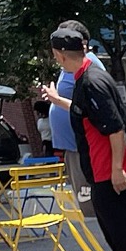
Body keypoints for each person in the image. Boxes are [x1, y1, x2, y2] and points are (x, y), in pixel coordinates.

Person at [50, 25, 126, 251]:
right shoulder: (85, 78)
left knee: (122, 224)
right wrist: (58, 101)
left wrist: (117, 169)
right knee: (111, 224)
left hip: (108, 167)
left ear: (60, 54)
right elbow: (88, 115)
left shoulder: (92, 81)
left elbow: (115, 128)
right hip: (99, 166)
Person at [39, 19, 101, 217]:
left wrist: (56, 101)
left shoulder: (90, 67)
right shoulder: (71, 67)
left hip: (82, 145)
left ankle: (100, 243)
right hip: (74, 146)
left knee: (90, 204)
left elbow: (89, 108)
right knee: (85, 201)